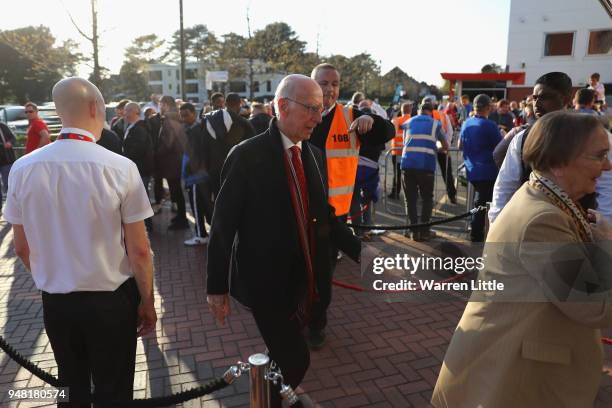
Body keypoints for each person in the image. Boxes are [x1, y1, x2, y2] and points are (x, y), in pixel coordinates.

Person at [432, 111, 612, 408]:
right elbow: (596, 307)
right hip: (514, 377)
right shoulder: (543, 219)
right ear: (559, 160)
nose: (607, 165)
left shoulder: (544, 197)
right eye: (598, 156)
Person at [206, 74, 360, 408]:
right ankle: (269, 401)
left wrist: (362, 251)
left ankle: (265, 394)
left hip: (304, 279)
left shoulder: (315, 155)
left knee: (280, 354)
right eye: (311, 109)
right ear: (282, 106)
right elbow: (222, 224)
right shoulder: (246, 155)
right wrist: (216, 286)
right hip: (265, 283)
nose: (318, 118)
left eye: (321, 110)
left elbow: (327, 216)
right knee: (295, 359)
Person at [4, 77, 156, 407]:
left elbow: (21, 247)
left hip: (57, 302)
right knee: (112, 390)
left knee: (70, 386)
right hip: (111, 302)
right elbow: (140, 250)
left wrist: (53, 275)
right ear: (93, 108)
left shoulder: (22, 168)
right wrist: (147, 301)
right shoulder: (120, 168)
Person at [307, 63, 394, 348]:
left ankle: (315, 326)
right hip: (299, 211)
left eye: (334, 83)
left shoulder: (351, 117)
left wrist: (371, 119)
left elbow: (388, 131)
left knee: (322, 277)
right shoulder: (300, 115)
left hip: (333, 218)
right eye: (323, 82)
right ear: (311, 84)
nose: (329, 89)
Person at [400, 100, 449, 241]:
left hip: (407, 164)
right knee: (427, 199)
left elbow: (405, 142)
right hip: (425, 166)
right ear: (431, 112)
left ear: (419, 110)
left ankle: (413, 231)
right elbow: (445, 145)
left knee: (410, 200)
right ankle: (424, 231)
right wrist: (436, 148)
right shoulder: (435, 124)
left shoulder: (408, 122)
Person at [459, 94, 502, 242]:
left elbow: (460, 145)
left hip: (472, 169)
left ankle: (477, 230)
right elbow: (501, 147)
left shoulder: (466, 123)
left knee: (479, 202)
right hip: (487, 170)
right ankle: (476, 233)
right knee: (482, 203)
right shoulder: (490, 125)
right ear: (488, 107)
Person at [179, 102, 212, 246]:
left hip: (196, 177)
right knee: (203, 206)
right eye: (182, 116)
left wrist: (186, 173)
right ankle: (204, 233)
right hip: (198, 176)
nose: (184, 118)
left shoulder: (196, 131)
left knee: (197, 207)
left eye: (186, 115)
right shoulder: (194, 129)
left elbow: (193, 155)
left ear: (193, 113)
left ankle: (200, 235)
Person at [154, 96, 188, 230]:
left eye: (161, 104)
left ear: (166, 104)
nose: (159, 107)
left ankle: (182, 219)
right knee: (176, 190)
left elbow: (168, 142)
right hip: (174, 160)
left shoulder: (170, 119)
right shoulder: (173, 117)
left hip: (172, 162)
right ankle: (180, 217)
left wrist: (156, 153)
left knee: (176, 190)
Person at [124, 102, 154, 231]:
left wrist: (125, 157)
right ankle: (145, 224)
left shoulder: (139, 128)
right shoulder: (133, 127)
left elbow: (138, 150)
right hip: (138, 169)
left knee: (142, 198)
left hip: (140, 169)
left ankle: (147, 224)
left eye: (127, 111)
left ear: (134, 112)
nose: (124, 114)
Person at [389, 102, 412, 199]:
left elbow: (390, 134)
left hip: (397, 151)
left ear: (401, 110)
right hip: (409, 152)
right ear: (410, 111)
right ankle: (411, 194)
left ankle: (395, 192)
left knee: (397, 174)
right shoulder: (413, 120)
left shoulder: (395, 120)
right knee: (410, 174)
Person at [0, 120, 17, 206]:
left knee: (9, 184)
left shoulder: (2, 126)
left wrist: (9, 143)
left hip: (6, 161)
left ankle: (11, 206)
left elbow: (13, 138)